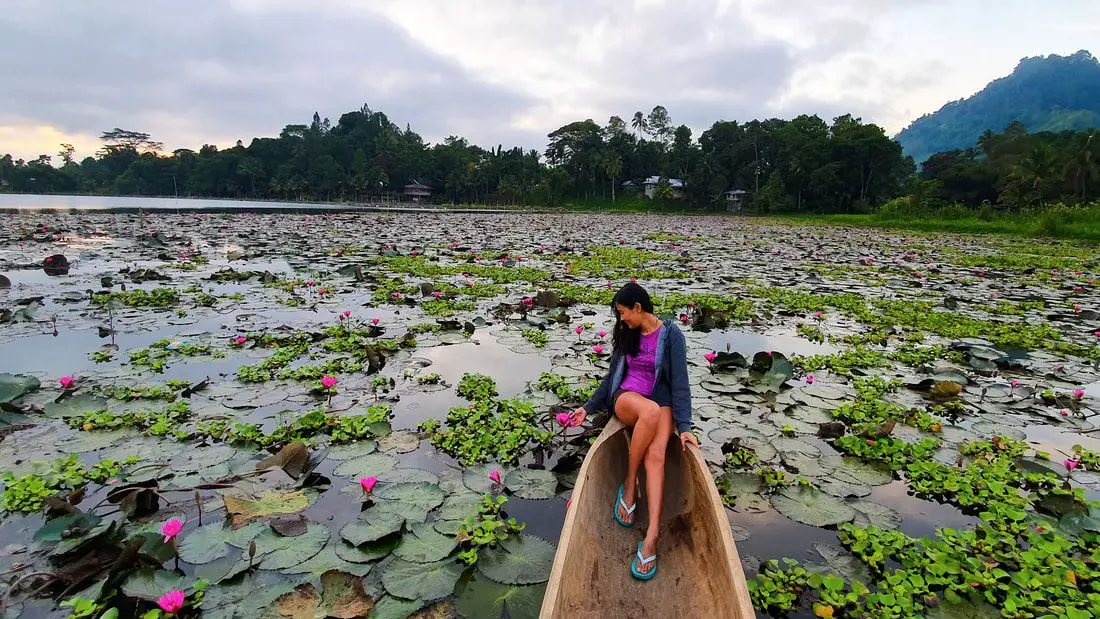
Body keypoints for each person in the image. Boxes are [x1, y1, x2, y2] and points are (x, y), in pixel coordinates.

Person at [569, 282, 697, 581]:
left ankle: (651, 537)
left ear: (639, 308)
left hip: (659, 400)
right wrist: (587, 408)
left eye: (624, 313)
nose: (621, 319)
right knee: (649, 412)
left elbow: (680, 381)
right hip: (627, 398)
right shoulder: (628, 334)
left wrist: (686, 426)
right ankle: (629, 484)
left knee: (657, 456)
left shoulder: (671, 335)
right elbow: (611, 376)